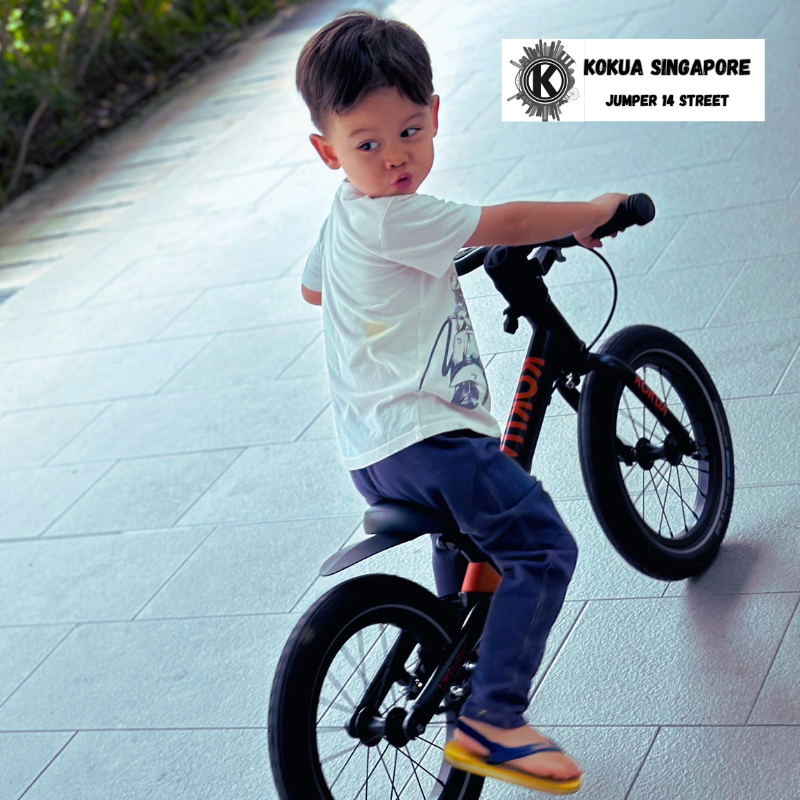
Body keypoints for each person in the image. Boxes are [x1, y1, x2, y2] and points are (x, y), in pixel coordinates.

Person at [295, 10, 625, 793]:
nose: (395, 157)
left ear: (435, 114)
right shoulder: (401, 216)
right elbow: (506, 222)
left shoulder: (345, 212)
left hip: (374, 452)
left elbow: (312, 288)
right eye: (367, 145)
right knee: (544, 550)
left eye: (409, 132)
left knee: (472, 545)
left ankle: (456, 659)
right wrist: (590, 212)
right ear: (328, 150)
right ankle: (493, 719)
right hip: (434, 440)